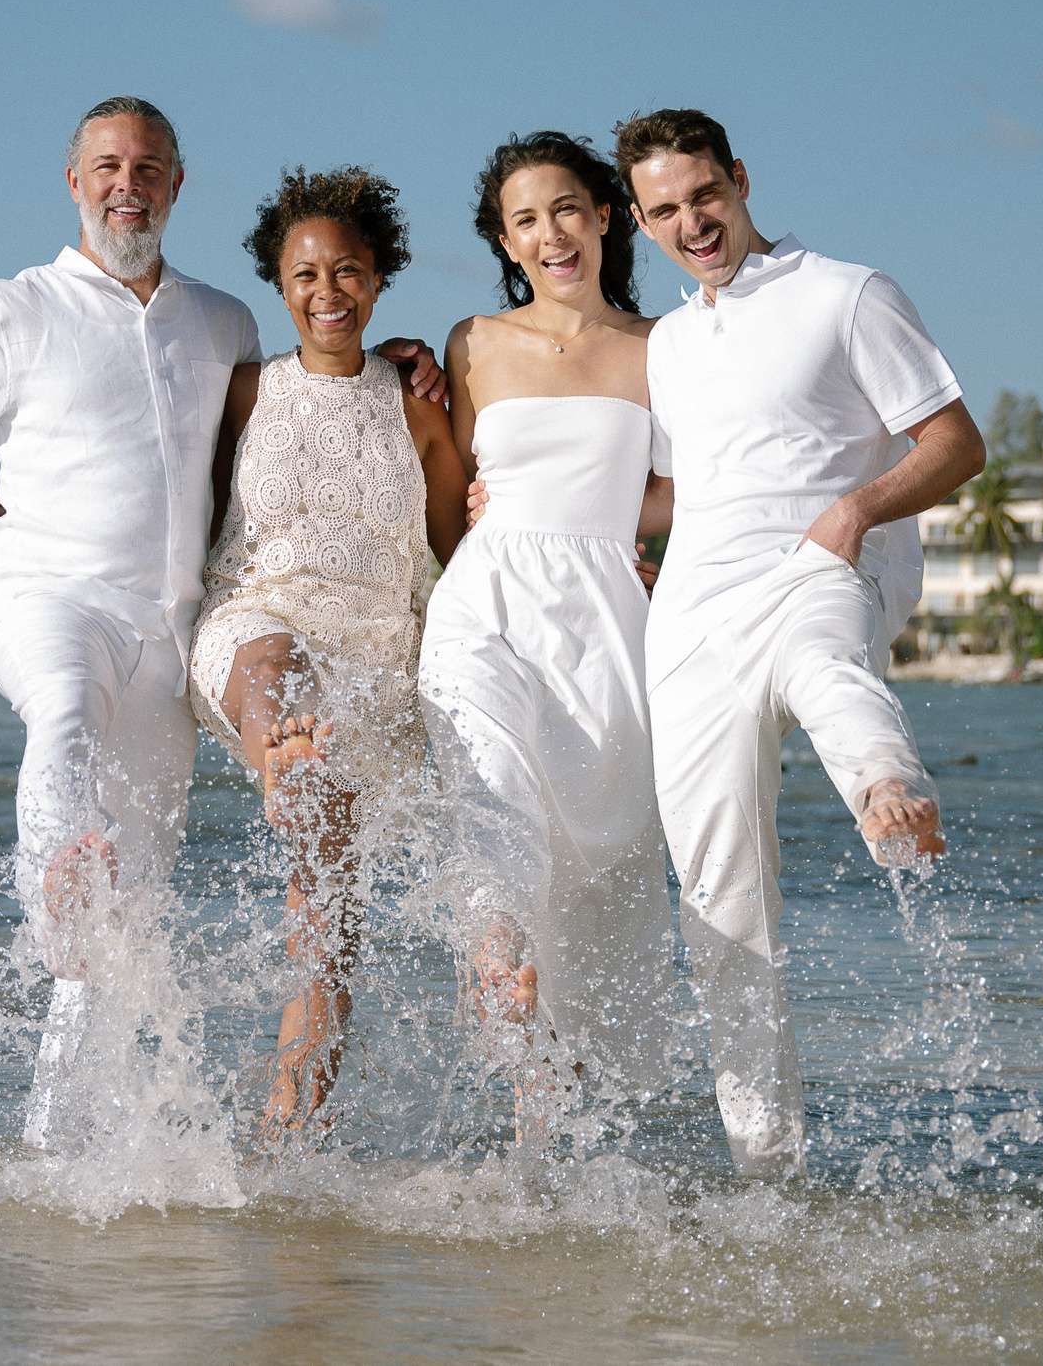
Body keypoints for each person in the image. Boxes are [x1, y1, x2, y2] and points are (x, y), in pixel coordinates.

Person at [0, 99, 444, 1151]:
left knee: (132, 910)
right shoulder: (9, 309)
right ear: (73, 183)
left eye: (150, 167)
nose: (128, 183)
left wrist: (392, 363)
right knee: (63, 719)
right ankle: (50, 891)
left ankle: (54, 1145)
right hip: (49, 596)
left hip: (167, 642)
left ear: (177, 185)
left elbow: (282, 436)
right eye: (107, 165)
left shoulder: (223, 326)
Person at [619, 106, 982, 1179]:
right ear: (640, 223)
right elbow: (697, 484)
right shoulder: (673, 340)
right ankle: (765, 1178)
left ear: (738, 178)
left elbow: (956, 443)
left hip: (826, 563)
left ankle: (885, 791)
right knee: (719, 901)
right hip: (691, 609)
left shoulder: (847, 292)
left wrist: (853, 514)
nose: (693, 224)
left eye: (704, 197)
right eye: (665, 211)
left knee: (827, 671)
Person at [190, 165, 467, 1144]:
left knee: (327, 917)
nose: (327, 294)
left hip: (378, 662)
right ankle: (282, 756)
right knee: (271, 658)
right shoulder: (241, 393)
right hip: (256, 625)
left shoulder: (417, 401)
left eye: (347, 272)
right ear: (278, 284)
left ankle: (288, 1134)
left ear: (380, 277)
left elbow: (457, 553)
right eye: (306, 276)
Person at [419, 132, 679, 1123]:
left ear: (607, 214)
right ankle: (496, 951)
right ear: (505, 239)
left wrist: (625, 530)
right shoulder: (472, 343)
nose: (550, 233)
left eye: (567, 208)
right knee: (490, 782)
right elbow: (452, 481)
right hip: (484, 596)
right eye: (525, 219)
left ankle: (555, 1118)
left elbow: (680, 489)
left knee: (596, 855)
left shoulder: (664, 348)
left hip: (605, 615)